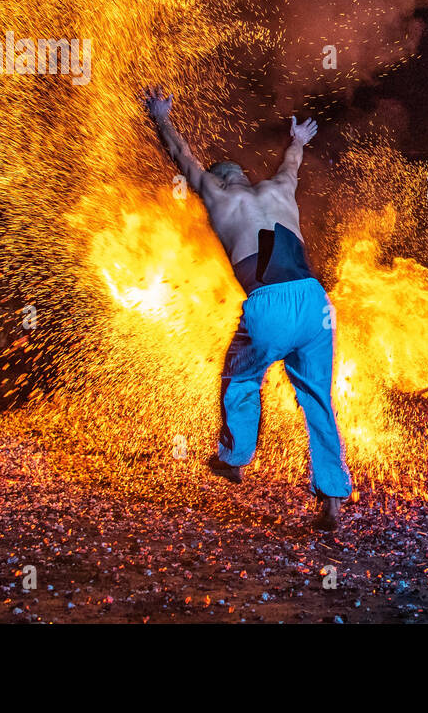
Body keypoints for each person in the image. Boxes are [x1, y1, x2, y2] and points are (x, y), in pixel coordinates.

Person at [143, 88, 350, 531]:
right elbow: (291, 164)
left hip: (268, 302)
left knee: (239, 375)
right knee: (318, 399)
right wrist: (297, 139)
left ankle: (235, 459)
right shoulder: (276, 189)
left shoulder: (218, 199)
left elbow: (183, 158)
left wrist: (161, 118)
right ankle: (332, 497)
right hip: (315, 301)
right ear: (244, 175)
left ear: (218, 181)